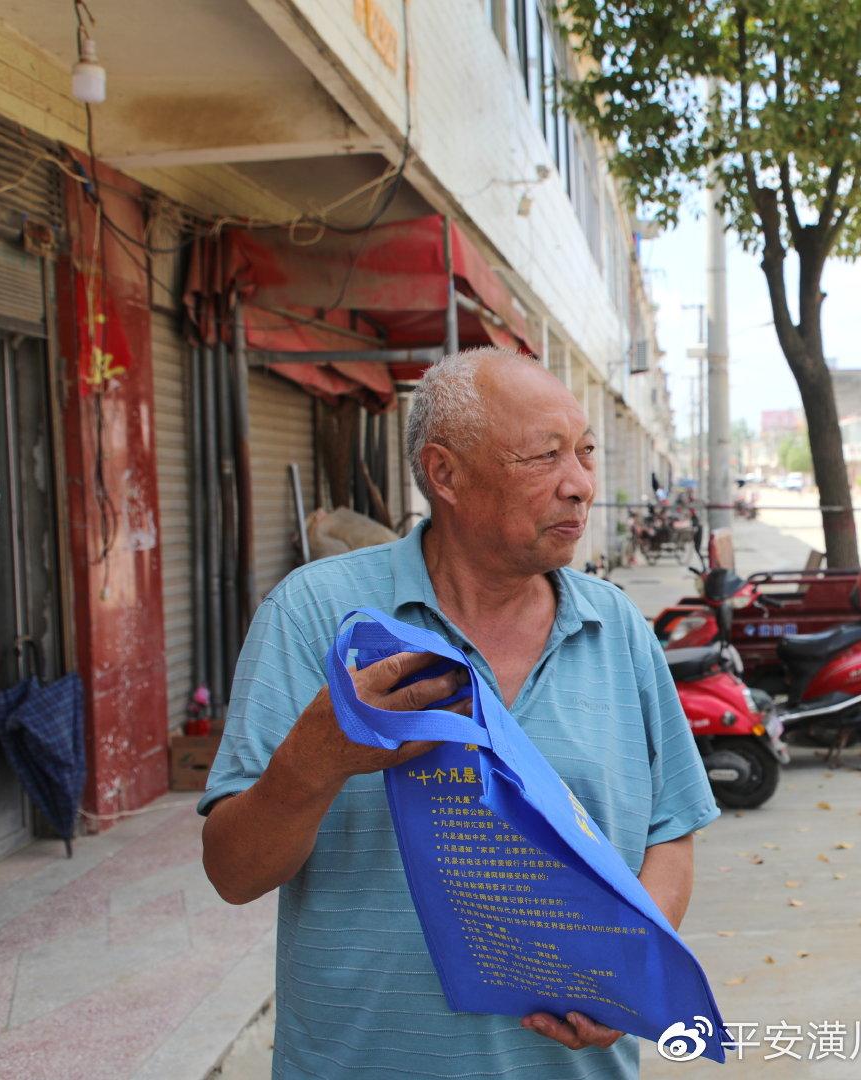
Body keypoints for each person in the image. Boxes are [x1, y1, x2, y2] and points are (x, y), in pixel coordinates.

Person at [200, 348, 718, 1079]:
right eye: (544, 457)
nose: (580, 486)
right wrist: (314, 760)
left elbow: (670, 832)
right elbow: (234, 874)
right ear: (445, 474)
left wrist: (632, 967)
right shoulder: (317, 615)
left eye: (586, 453)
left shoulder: (617, 628)